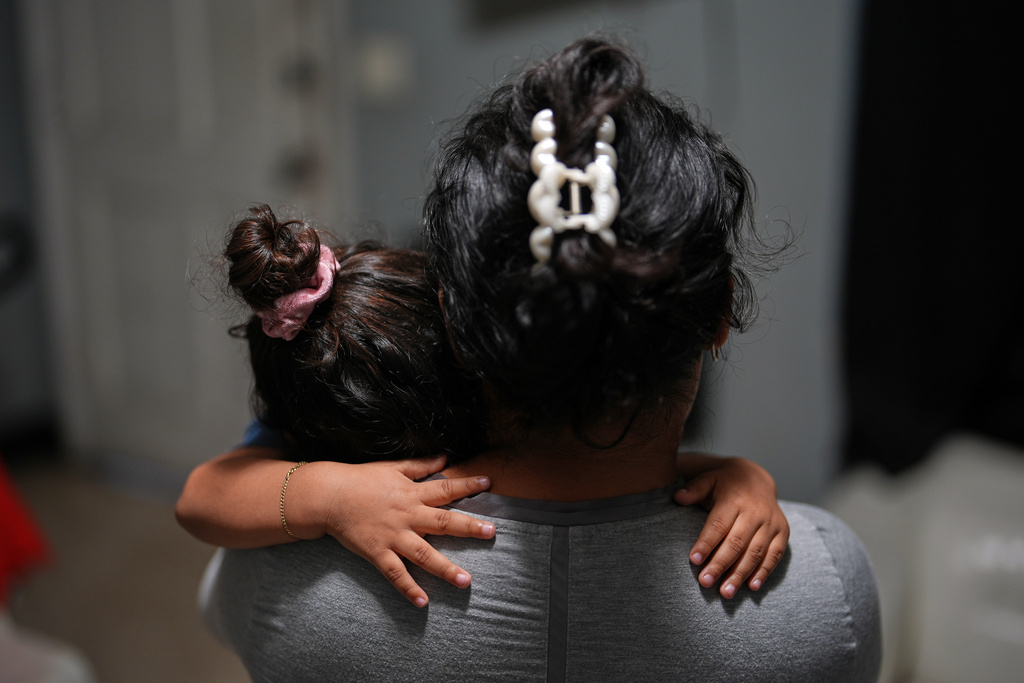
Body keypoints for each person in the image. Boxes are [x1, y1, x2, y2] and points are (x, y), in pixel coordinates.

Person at [200, 37, 881, 681]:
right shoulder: (829, 590)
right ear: (719, 312)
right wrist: (739, 471)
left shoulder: (277, 573)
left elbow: (211, 518)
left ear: (454, 321)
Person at [177, 206, 788, 606]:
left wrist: (737, 474)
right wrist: (331, 496)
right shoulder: (304, 429)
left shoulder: (452, 431)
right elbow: (199, 497)